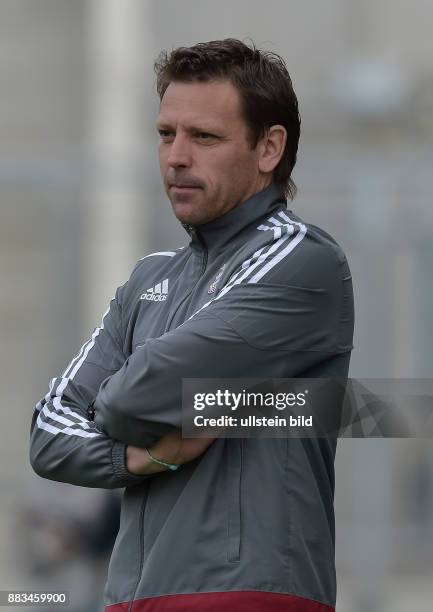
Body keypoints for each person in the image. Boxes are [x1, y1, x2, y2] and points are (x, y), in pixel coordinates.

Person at [30, 39, 354, 612]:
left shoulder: (302, 259)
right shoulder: (151, 277)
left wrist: (133, 404)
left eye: (204, 137)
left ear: (269, 148)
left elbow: (140, 390)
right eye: (165, 135)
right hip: (131, 595)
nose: (177, 156)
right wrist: (140, 457)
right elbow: (49, 434)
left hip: (246, 595)